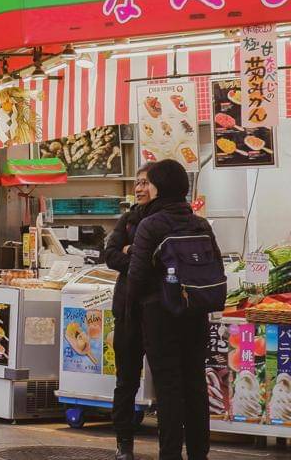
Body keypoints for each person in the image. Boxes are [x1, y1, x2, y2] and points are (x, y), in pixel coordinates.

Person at [126, 159, 222, 460]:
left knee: (168, 388)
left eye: (150, 182)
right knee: (195, 384)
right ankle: (199, 454)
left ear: (160, 187)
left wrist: (132, 311)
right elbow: (216, 265)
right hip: (195, 314)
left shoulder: (150, 224)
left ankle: (170, 454)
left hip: (160, 315)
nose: (146, 188)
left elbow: (137, 277)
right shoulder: (200, 223)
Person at [103, 163, 158, 459]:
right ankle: (123, 443)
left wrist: (131, 252)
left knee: (165, 379)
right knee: (125, 380)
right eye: (137, 182)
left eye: (146, 182)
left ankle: (170, 440)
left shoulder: (165, 220)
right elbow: (110, 255)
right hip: (126, 310)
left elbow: (159, 262)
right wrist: (135, 255)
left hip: (160, 312)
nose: (139, 188)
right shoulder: (127, 220)